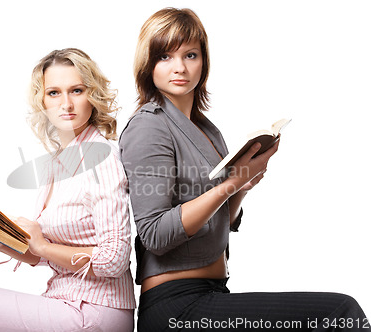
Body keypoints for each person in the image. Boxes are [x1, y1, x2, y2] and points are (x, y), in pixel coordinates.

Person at [119, 8, 368, 331]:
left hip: (211, 295)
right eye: (165, 56)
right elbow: (154, 233)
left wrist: (242, 186)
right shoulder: (148, 127)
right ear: (148, 63)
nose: (180, 67)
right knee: (339, 312)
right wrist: (229, 184)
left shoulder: (208, 131)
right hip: (178, 308)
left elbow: (220, 220)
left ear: (203, 61)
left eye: (190, 55)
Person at [0, 48, 136, 332]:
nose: (66, 103)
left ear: (92, 95)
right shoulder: (56, 164)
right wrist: (3, 241)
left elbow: (113, 259)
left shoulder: (101, 157)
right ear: (42, 100)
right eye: (54, 93)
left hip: (93, 310)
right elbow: (46, 255)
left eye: (77, 90)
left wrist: (42, 244)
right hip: (62, 300)